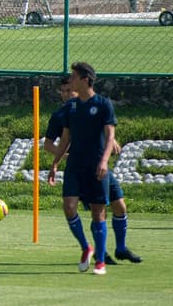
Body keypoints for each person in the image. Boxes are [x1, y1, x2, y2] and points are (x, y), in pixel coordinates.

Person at [44, 74, 141, 264]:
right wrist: (64, 156)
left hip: (99, 164)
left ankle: (120, 248)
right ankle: (98, 252)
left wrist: (112, 141)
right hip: (80, 168)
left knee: (119, 205)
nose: (65, 95)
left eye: (68, 90)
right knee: (96, 210)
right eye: (62, 91)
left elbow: (104, 129)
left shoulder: (94, 106)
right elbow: (48, 144)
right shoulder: (62, 114)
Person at [49, 61, 118, 275]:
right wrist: (55, 163)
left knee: (98, 213)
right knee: (69, 207)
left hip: (96, 165)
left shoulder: (103, 104)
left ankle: (100, 261)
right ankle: (85, 247)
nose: (70, 81)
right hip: (75, 166)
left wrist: (104, 161)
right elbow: (66, 139)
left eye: (73, 77)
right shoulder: (71, 108)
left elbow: (110, 137)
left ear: (84, 79)